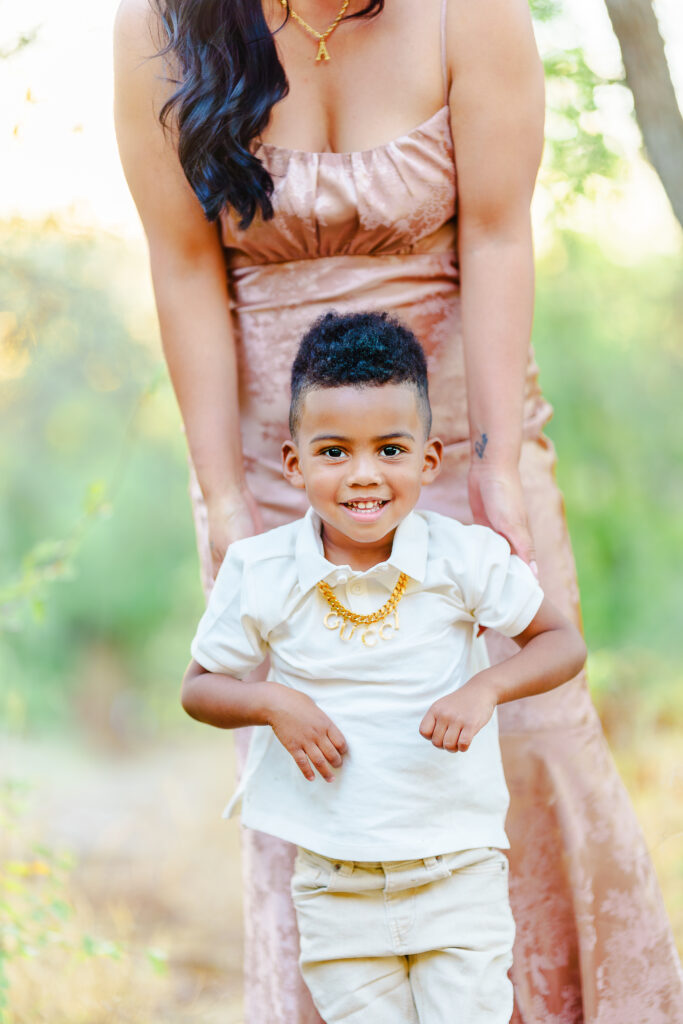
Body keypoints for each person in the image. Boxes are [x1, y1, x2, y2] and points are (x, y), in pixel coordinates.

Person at [113, 0, 683, 1020]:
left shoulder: (472, 14)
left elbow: (500, 234)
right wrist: (225, 496)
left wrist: (497, 465)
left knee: (533, 739)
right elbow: (185, 265)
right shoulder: (161, 25)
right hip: (286, 465)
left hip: (460, 438)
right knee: (332, 772)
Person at [181, 311, 588, 1024]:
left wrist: (484, 687)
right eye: (334, 452)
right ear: (294, 462)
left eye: (390, 449)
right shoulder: (262, 570)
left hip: (456, 872)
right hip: (336, 887)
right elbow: (199, 688)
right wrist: (273, 702)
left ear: (428, 460)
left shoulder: (462, 557)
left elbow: (560, 641)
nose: (363, 475)